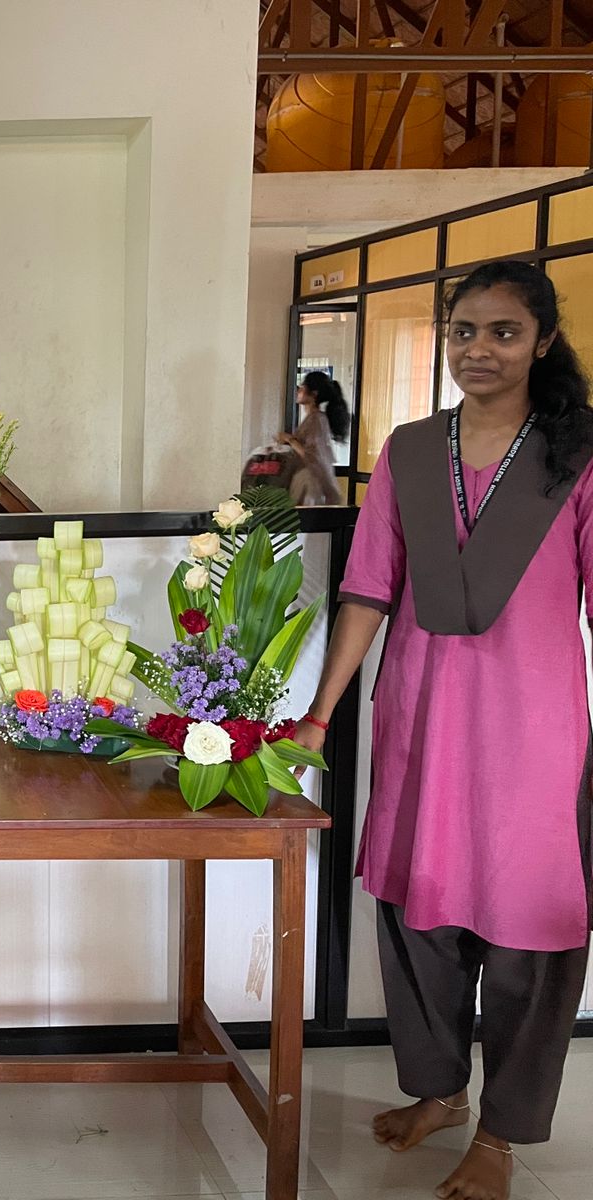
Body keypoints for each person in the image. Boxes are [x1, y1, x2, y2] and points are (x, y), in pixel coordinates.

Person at [294, 261, 593, 1200]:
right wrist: (319, 714)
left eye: (504, 332)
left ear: (543, 341)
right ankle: (440, 1091)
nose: (479, 350)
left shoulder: (577, 455)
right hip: (422, 719)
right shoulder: (411, 451)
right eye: (464, 331)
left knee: (527, 932)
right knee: (417, 911)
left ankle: (501, 1136)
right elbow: (367, 589)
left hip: (533, 733)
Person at [278, 370, 350, 505]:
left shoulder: (317, 419)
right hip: (309, 480)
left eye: (303, 387)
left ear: (314, 393)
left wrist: (289, 440)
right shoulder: (314, 418)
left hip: (312, 483)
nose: (299, 390)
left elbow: (312, 455)